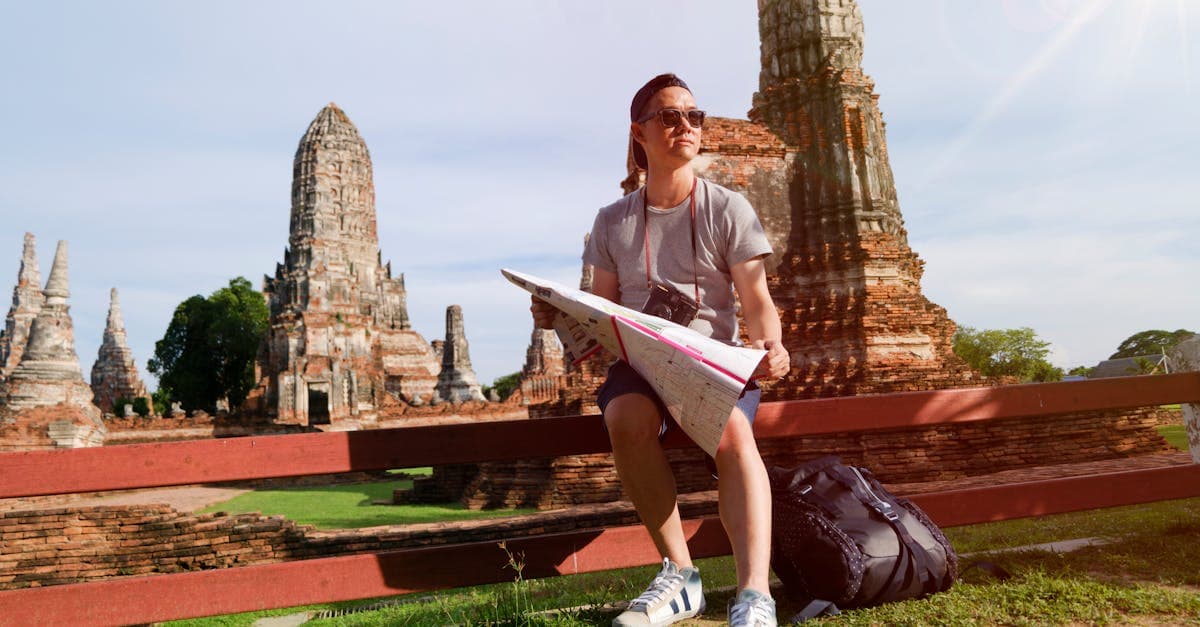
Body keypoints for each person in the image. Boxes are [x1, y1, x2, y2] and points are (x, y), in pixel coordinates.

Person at [531, 73, 789, 627]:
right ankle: (680, 576)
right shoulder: (613, 221)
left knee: (733, 432)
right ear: (639, 133)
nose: (685, 127)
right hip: (643, 365)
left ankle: (753, 594)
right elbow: (601, 309)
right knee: (624, 417)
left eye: (694, 117)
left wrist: (772, 344)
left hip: (713, 360)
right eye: (670, 117)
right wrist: (556, 315)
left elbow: (757, 300)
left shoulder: (728, 208)